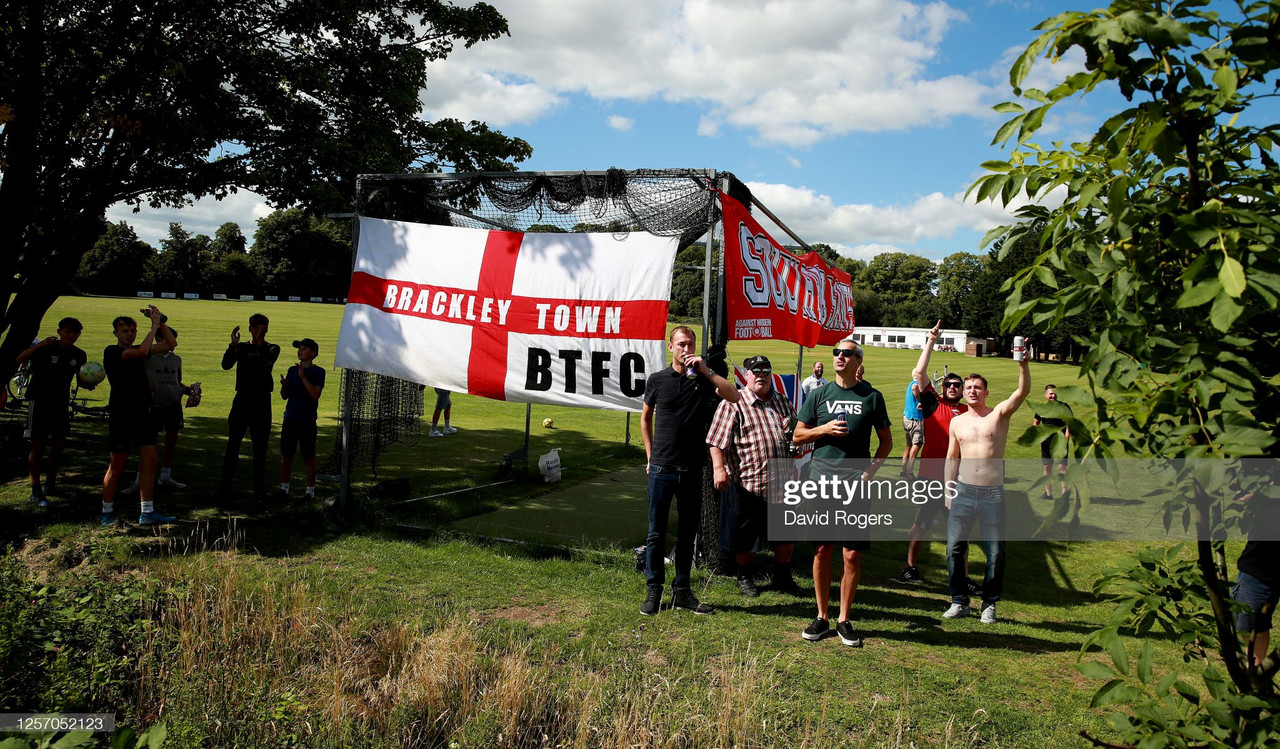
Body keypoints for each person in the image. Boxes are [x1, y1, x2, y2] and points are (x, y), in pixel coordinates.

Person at [793, 338, 893, 647]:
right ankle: (822, 616)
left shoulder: (872, 397)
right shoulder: (819, 394)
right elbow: (798, 436)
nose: (839, 356)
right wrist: (823, 430)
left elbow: (886, 443)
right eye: (836, 352)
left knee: (851, 553)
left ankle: (844, 619)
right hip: (822, 481)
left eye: (846, 353)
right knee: (822, 550)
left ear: (857, 361)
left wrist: (868, 473)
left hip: (855, 485)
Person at [640, 326, 739, 616]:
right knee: (656, 533)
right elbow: (645, 419)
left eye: (691, 344)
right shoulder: (657, 379)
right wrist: (649, 455)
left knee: (686, 533)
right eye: (681, 344)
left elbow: (733, 396)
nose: (686, 349)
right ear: (670, 347)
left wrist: (707, 371)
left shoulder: (703, 380)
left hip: (692, 469)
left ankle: (682, 590)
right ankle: (653, 590)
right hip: (661, 468)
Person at [943, 356, 1031, 624]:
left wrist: (1023, 365)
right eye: (968, 387)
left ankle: (989, 604)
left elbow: (1022, 392)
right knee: (954, 549)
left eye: (977, 387)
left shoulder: (999, 414)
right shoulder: (957, 422)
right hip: (963, 492)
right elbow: (951, 457)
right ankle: (959, 601)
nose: (972, 391)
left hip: (993, 494)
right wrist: (948, 490)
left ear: (986, 392)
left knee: (994, 552)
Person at [707, 355, 802, 598]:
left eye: (765, 371)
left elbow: (793, 432)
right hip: (747, 483)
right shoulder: (733, 402)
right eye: (755, 372)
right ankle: (745, 577)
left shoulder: (782, 401)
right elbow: (716, 441)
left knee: (784, 535)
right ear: (746, 376)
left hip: (782, 484)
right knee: (746, 537)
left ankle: (782, 576)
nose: (761, 376)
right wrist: (719, 469)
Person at [901, 320, 968, 584]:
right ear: (943, 388)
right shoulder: (932, 405)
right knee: (923, 522)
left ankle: (962, 577)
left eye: (957, 384)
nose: (952, 387)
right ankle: (910, 567)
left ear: (962, 390)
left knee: (961, 530)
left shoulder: (969, 411)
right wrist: (931, 340)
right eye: (949, 384)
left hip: (960, 480)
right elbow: (919, 372)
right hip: (931, 477)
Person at [101, 307, 178, 526]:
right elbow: (143, 352)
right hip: (122, 415)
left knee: (150, 460)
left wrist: (161, 321)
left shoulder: (138, 349)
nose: (130, 334)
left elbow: (171, 345)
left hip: (142, 414)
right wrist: (153, 327)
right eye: (125, 330)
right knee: (117, 464)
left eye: (133, 330)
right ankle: (106, 511)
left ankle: (147, 511)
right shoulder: (113, 352)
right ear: (116, 333)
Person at [17, 318, 86, 506]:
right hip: (39, 401)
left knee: (58, 445)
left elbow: (81, 379)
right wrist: (38, 346)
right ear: (59, 331)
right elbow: (20, 358)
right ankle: (35, 489)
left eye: (75, 333)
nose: (72, 336)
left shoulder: (79, 354)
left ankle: (51, 485)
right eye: (68, 332)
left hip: (60, 403)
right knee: (37, 446)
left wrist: (89, 383)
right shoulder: (46, 348)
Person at [220, 313, 281, 499]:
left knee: (260, 447)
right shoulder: (240, 348)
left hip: (261, 401)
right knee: (233, 445)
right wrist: (232, 346)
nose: (262, 330)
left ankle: (258, 489)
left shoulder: (272, 348)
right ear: (251, 328)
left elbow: (264, 365)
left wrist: (252, 345)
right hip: (242, 400)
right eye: (258, 327)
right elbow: (226, 365)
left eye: (265, 327)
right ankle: (225, 488)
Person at [122, 327, 190, 494]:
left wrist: (190, 391)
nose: (171, 345)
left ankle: (165, 476)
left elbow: (176, 382)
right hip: (154, 406)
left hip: (173, 405)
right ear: (159, 340)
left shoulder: (177, 359)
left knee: (171, 441)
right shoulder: (147, 357)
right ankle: (138, 481)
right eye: (167, 340)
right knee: (147, 443)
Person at [1233, 495, 1280, 668]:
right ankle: (1254, 677)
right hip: (1260, 566)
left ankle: (1253, 679)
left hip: (1261, 568)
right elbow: (1243, 497)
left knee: (1251, 626)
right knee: (1251, 626)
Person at [279, 338, 326, 499]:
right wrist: (285, 385)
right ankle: (284, 489)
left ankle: (310, 492)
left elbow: (315, 395)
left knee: (308, 456)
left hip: (307, 420)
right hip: (290, 418)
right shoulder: (292, 370)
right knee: (286, 455)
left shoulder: (318, 372)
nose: (300, 351)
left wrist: (303, 377)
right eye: (299, 349)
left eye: (304, 349)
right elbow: (285, 396)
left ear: (313, 353)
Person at [1034, 384, 1071, 499]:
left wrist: (1066, 438)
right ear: (1046, 395)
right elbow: (1036, 424)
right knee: (1047, 468)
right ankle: (1048, 494)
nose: (1053, 395)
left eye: (1054, 393)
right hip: (1046, 443)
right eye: (1050, 393)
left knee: (1061, 468)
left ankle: (1064, 494)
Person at [901, 376, 924, 477]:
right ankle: (910, 471)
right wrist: (921, 401)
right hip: (916, 418)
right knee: (917, 444)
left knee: (909, 444)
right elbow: (915, 388)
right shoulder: (916, 383)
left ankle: (903, 469)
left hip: (907, 417)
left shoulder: (909, 383)